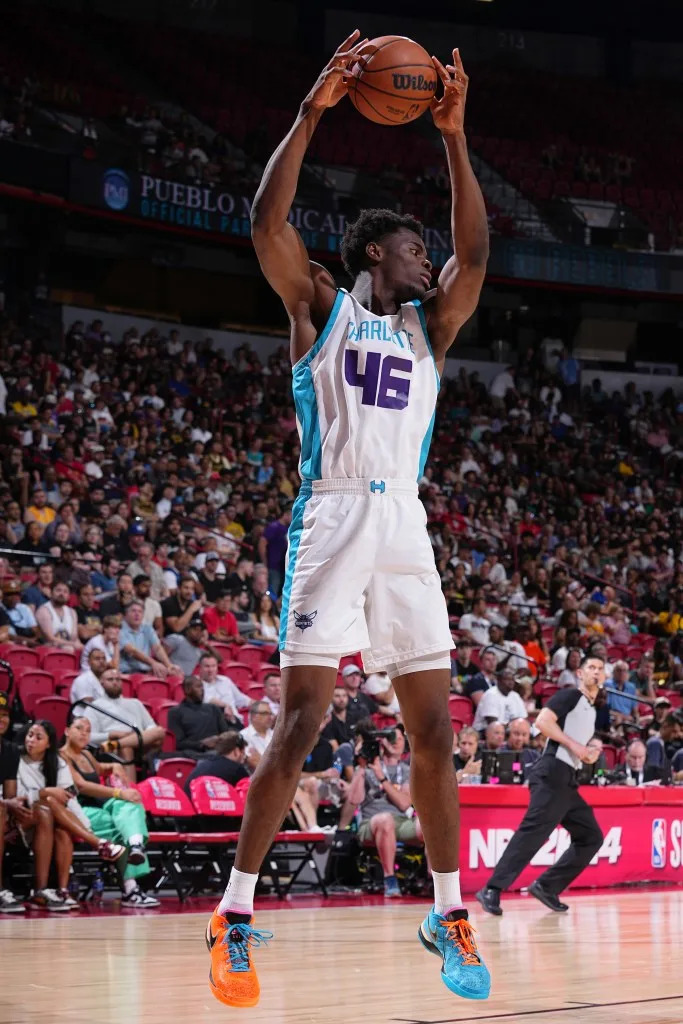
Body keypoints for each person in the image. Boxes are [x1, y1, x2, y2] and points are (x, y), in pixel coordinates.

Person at [206, 35, 491, 1007]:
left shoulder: (429, 328)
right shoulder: (321, 308)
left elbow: (479, 253)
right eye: (416, 248)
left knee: (433, 736)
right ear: (376, 252)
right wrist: (313, 110)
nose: (432, 259)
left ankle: (447, 909)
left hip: (403, 529)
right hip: (330, 521)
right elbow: (265, 222)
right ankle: (233, 914)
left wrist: (452, 136)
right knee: (302, 720)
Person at [475, 654, 606, 916]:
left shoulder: (592, 710)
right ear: (579, 674)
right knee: (534, 831)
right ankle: (492, 888)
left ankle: (547, 886)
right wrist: (578, 747)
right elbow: (543, 722)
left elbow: (574, 740)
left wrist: (589, 751)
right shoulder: (571, 696)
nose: (596, 672)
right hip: (551, 773)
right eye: (591, 667)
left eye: (601, 669)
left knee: (591, 837)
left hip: (568, 779)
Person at [17, 720, 125, 909]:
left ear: (49, 744)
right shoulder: (16, 759)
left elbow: (70, 799)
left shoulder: (57, 763)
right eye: (30, 735)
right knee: (50, 801)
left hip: (51, 821)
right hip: (24, 818)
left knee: (62, 829)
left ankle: (62, 891)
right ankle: (99, 844)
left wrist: (84, 827)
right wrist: (45, 792)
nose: (31, 740)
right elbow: (16, 797)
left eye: (38, 737)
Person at [61, 716, 160, 907]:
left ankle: (136, 844)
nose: (84, 733)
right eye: (79, 728)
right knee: (119, 824)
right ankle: (131, 890)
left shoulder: (87, 755)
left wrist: (115, 765)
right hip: (76, 809)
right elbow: (81, 786)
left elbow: (101, 769)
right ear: (67, 731)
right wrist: (118, 792)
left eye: (88, 730)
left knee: (131, 804)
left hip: (99, 805)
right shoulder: (62, 756)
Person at [346, 726, 422, 897]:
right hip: (370, 823)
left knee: (429, 825)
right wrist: (361, 767)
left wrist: (382, 778)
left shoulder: (407, 770)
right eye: (390, 738)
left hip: (401, 821)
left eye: (399, 739)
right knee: (385, 819)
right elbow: (353, 799)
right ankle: (390, 879)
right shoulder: (366, 768)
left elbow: (404, 803)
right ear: (381, 742)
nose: (394, 743)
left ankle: (433, 880)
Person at [83, 668, 165, 780]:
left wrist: (137, 735)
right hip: (109, 749)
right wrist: (112, 735)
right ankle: (131, 791)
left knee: (160, 731)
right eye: (110, 679)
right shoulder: (94, 706)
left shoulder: (135, 703)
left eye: (118, 679)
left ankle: (119, 743)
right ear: (102, 683)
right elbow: (88, 737)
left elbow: (151, 726)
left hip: (140, 743)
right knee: (126, 747)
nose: (115, 682)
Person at [168, 676, 232, 761]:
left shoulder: (213, 708)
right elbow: (178, 743)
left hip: (218, 751)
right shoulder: (175, 712)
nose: (202, 690)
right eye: (198, 686)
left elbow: (226, 733)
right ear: (187, 690)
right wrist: (202, 744)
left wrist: (217, 740)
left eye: (202, 686)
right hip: (194, 754)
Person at [0, 690, 24, 912]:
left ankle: (43, 890)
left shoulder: (9, 750)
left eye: (5, 714)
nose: (2, 719)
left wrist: (11, 818)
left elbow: (10, 793)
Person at [119, 601, 181, 678]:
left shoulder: (147, 628)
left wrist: (169, 665)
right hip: (127, 673)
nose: (137, 614)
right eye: (133, 611)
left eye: (140, 612)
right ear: (125, 615)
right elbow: (132, 651)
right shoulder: (119, 629)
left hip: (146, 672)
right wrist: (153, 663)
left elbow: (157, 648)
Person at [184, 732, 250, 794]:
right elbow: (251, 793)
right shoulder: (236, 769)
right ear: (236, 751)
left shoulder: (202, 765)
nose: (244, 757)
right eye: (243, 752)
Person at [198, 653, 250, 726]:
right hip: (213, 724)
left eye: (213, 666)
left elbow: (242, 699)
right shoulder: (196, 684)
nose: (210, 670)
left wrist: (260, 704)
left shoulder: (226, 680)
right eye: (207, 666)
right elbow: (208, 700)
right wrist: (226, 706)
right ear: (200, 668)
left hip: (234, 721)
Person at [472, 668, 527, 732]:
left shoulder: (515, 696)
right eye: (507, 679)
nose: (511, 682)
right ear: (499, 680)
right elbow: (493, 725)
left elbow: (523, 719)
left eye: (512, 679)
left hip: (508, 732)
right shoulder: (491, 695)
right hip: (484, 732)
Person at [35, 581, 82, 652]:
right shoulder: (44, 610)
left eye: (65, 591)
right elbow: (50, 638)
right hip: (48, 648)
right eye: (58, 590)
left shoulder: (72, 612)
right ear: (51, 593)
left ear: (69, 596)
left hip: (69, 646)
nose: (62, 594)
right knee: (68, 649)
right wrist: (73, 644)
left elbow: (74, 637)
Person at [1, 578, 39, 645]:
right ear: (3, 596)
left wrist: (34, 639)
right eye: (10, 594)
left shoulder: (24, 608)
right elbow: (6, 634)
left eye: (17, 594)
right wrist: (27, 641)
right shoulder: (0, 609)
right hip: (9, 643)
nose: (14, 597)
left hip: (28, 642)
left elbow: (35, 629)